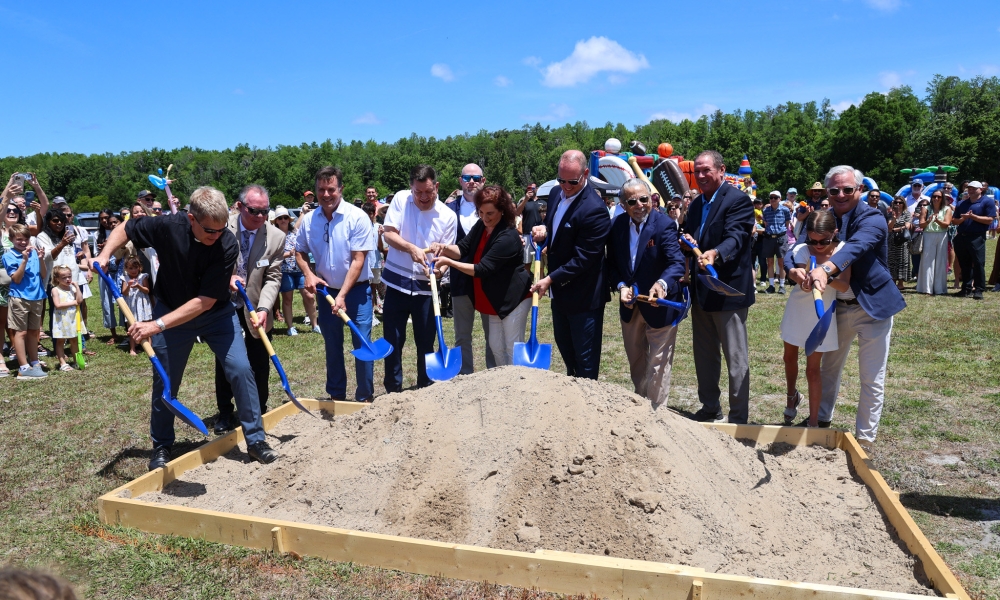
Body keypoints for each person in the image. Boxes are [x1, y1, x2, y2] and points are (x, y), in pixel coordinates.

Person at [95, 186, 277, 470]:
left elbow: (204, 302)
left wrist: (154, 325)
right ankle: (162, 445)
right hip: (170, 307)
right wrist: (105, 254)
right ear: (191, 219)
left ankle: (255, 439)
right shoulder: (169, 225)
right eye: (209, 231)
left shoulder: (227, 243)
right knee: (166, 380)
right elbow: (128, 228)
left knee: (241, 369)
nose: (215, 237)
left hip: (215, 314)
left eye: (220, 231)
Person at [787, 165, 905, 450]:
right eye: (834, 190)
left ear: (860, 190)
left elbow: (856, 247)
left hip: (871, 307)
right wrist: (793, 269)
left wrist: (826, 269)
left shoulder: (873, 217)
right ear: (828, 192)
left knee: (871, 377)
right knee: (829, 369)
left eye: (848, 189)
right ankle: (822, 423)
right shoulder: (826, 217)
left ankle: (864, 439)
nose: (841, 194)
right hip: (836, 307)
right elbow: (800, 246)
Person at [678, 151, 755, 423]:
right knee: (705, 357)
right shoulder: (697, 204)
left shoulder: (738, 201)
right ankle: (710, 408)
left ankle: (738, 418)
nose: (700, 176)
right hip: (702, 292)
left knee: (736, 360)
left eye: (706, 170)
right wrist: (686, 241)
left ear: (722, 171)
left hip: (728, 292)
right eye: (696, 171)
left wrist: (716, 253)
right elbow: (692, 235)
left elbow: (737, 235)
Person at [296, 167, 377, 402]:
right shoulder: (310, 220)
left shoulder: (357, 217)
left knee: (362, 344)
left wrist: (342, 295)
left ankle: (365, 397)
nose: (326, 194)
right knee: (332, 345)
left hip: (357, 292)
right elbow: (299, 251)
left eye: (331, 189)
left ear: (340, 189)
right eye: (321, 189)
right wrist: (308, 275)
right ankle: (337, 395)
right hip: (325, 290)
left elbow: (358, 260)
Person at [529, 150, 611, 380]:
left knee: (585, 359)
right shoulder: (556, 194)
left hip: (584, 296)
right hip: (560, 293)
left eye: (572, 181)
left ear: (585, 174)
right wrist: (544, 231)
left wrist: (550, 278)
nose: (565, 186)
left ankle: (586, 405)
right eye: (561, 180)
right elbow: (555, 226)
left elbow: (584, 258)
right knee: (566, 349)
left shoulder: (595, 209)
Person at [429, 185, 531, 366]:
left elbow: (483, 269)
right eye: (481, 213)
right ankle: (503, 387)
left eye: (489, 213)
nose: (484, 218)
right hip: (494, 298)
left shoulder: (507, 236)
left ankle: (518, 389)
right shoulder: (482, 226)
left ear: (502, 210)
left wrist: (449, 262)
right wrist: (443, 248)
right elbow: (462, 248)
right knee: (496, 347)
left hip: (514, 298)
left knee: (511, 347)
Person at [606, 178, 685, 408]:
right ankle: (641, 408)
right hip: (630, 306)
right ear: (623, 205)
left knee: (659, 364)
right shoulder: (617, 226)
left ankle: (656, 414)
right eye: (633, 201)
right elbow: (612, 265)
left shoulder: (664, 225)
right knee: (637, 362)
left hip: (659, 305)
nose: (640, 204)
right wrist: (621, 286)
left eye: (644, 198)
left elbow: (676, 263)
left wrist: (662, 283)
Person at [380, 165, 457, 391]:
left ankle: (426, 388)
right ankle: (393, 391)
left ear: (437, 187)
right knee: (392, 342)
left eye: (429, 192)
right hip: (396, 284)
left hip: (426, 289)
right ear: (411, 187)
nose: (423, 197)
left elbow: (445, 258)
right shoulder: (401, 200)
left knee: (426, 342)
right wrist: (411, 248)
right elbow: (389, 233)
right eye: (418, 192)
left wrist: (437, 271)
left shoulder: (448, 216)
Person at [213, 184, 284, 431]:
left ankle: (259, 410)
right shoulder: (221, 227)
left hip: (256, 307)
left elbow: (273, 277)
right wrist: (225, 280)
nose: (262, 216)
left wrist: (264, 309)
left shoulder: (276, 237)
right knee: (226, 363)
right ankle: (225, 412)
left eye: (266, 211)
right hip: (224, 306)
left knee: (259, 361)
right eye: (255, 211)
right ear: (240, 206)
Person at [780, 211, 850, 427]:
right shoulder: (802, 250)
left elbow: (845, 284)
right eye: (813, 240)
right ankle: (792, 396)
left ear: (834, 233)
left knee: (813, 369)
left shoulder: (842, 250)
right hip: (798, 309)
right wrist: (802, 278)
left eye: (824, 241)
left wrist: (825, 277)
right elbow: (799, 275)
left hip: (822, 313)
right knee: (789, 358)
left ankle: (813, 422)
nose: (818, 245)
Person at [446, 164, 495, 374]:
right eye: (467, 178)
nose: (471, 181)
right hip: (460, 279)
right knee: (462, 333)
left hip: (488, 279)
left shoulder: (494, 208)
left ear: (483, 181)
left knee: (492, 332)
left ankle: (494, 374)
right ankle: (465, 375)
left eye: (476, 177)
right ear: (460, 181)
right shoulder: (447, 210)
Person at [4, 224, 48, 379]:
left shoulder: (34, 253)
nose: (23, 242)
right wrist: (24, 260)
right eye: (19, 239)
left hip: (37, 297)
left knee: (33, 332)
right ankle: (23, 367)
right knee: (20, 332)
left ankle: (34, 362)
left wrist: (41, 259)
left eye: (26, 239)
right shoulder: (8, 256)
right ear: (11, 240)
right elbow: (16, 278)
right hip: (20, 298)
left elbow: (42, 274)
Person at [272, 206, 316, 335]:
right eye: (280, 218)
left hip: (300, 269)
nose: (283, 220)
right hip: (285, 271)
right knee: (287, 299)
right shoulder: (273, 236)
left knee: (309, 296)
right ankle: (290, 327)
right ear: (276, 221)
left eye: (286, 217)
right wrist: (288, 254)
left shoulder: (295, 233)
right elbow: (272, 256)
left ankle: (315, 325)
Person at [951, 181, 996, 300]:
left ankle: (979, 289)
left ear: (980, 189)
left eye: (973, 189)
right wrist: (962, 219)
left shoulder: (987, 201)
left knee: (978, 263)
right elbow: (954, 221)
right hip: (962, 236)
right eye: (969, 188)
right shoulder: (962, 203)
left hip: (977, 236)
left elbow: (990, 220)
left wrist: (973, 217)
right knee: (964, 263)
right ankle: (966, 288)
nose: (970, 190)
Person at [916, 189, 953, 295]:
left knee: (941, 261)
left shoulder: (947, 209)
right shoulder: (925, 209)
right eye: (934, 196)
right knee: (927, 261)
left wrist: (937, 221)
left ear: (942, 198)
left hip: (942, 235)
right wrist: (928, 221)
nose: (936, 199)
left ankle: (939, 288)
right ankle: (926, 288)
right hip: (928, 235)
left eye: (939, 197)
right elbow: (921, 224)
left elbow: (946, 224)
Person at [50, 265, 85, 370]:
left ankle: (75, 361)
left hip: (73, 318)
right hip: (62, 319)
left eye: (69, 276)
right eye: (64, 277)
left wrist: (77, 288)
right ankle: (62, 363)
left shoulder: (72, 288)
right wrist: (73, 302)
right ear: (57, 279)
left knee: (74, 340)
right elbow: (57, 305)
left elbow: (79, 300)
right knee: (60, 341)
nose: (68, 279)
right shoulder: (55, 290)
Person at [118, 255, 152, 356]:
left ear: (140, 267)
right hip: (131, 305)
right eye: (130, 268)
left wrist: (138, 286)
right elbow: (124, 292)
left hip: (143, 304)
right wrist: (129, 285)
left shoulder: (143, 277)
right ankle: (132, 348)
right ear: (126, 269)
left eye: (135, 267)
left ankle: (149, 347)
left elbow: (147, 290)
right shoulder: (125, 278)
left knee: (146, 325)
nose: (133, 270)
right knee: (131, 326)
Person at [761, 190, 792, 294]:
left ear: (780, 199)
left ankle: (782, 286)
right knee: (769, 262)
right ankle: (771, 286)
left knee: (781, 262)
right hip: (769, 238)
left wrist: (780, 233)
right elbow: (766, 224)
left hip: (781, 237)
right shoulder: (765, 211)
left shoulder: (785, 210)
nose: (773, 199)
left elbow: (787, 224)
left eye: (775, 197)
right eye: (771, 197)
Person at [886, 198, 911, 290]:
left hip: (902, 240)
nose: (898, 204)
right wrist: (894, 218)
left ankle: (901, 283)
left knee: (902, 261)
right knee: (892, 260)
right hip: (892, 240)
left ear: (903, 204)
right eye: (896, 202)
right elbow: (889, 226)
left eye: (900, 202)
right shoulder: (890, 214)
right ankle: (893, 281)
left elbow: (907, 226)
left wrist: (895, 230)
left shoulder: (906, 214)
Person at [514, 183, 542, 264]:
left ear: (536, 189)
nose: (531, 190)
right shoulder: (524, 202)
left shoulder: (543, 201)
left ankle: (541, 276)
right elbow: (516, 213)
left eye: (533, 188)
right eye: (528, 188)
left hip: (540, 234)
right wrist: (525, 199)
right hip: (527, 234)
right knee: (526, 262)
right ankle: (527, 276)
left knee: (541, 261)